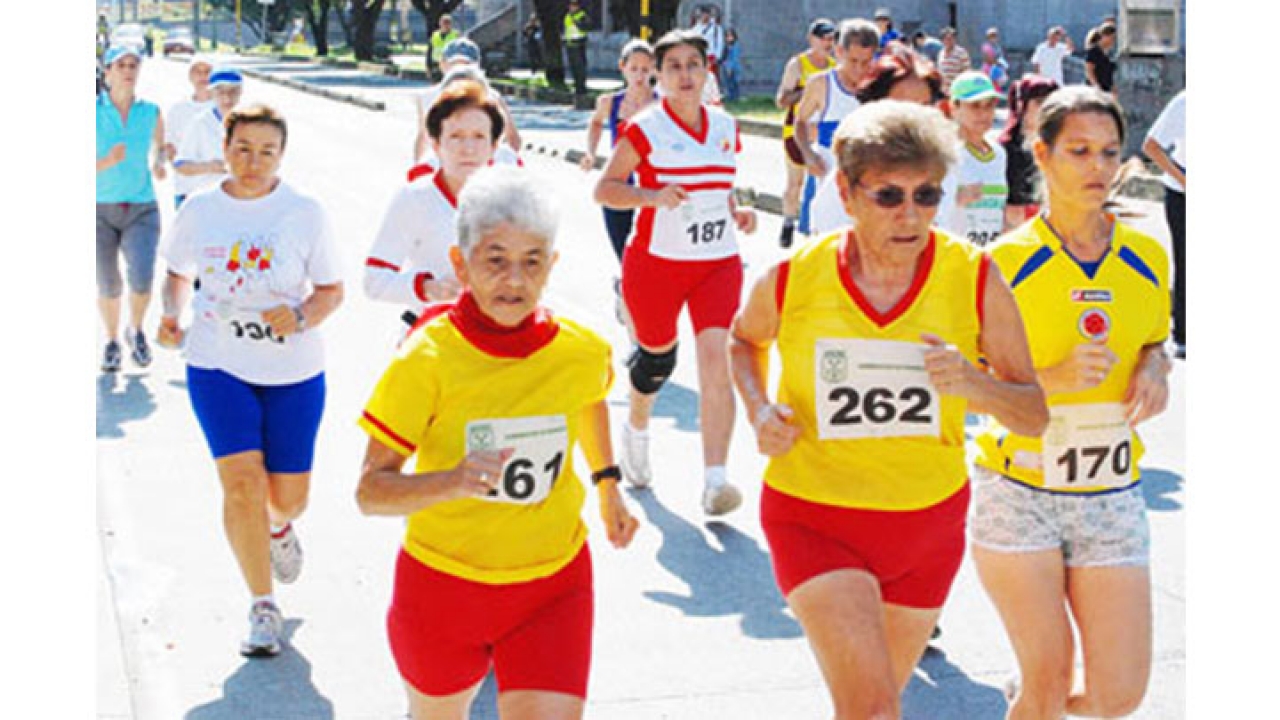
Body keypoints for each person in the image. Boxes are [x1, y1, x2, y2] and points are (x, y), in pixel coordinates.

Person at [729, 99, 1047, 720]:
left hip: (926, 528)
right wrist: (759, 409)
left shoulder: (974, 276)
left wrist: (973, 384)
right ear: (845, 192)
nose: (911, 215)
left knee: (866, 710)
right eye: (889, 196)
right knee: (875, 709)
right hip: (814, 518)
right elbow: (742, 341)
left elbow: (1032, 412)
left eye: (927, 196)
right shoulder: (794, 276)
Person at [356, 166, 639, 720]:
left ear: (552, 265)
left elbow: (588, 399)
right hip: (442, 591)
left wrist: (608, 486)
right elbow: (370, 492)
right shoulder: (426, 359)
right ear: (460, 264)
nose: (514, 280)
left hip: (552, 587)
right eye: (495, 259)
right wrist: (453, 480)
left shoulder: (580, 349)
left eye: (532, 261)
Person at [970, 86, 1173, 720]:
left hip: (1110, 489)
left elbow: (1151, 339)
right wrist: (1050, 379)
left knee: (1118, 696)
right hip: (1019, 487)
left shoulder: (1145, 255)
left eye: (1109, 152)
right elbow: (969, 385)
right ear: (1043, 154)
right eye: (1079, 151)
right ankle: (1035, 691)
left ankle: (1032, 692)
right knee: (1049, 683)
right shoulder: (1003, 264)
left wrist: (1156, 365)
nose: (1097, 167)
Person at [156, 104, 345, 657]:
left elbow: (332, 291)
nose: (252, 161)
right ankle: (263, 606)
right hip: (217, 364)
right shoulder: (201, 209)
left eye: (266, 151)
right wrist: (172, 314)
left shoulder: (305, 212)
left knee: (287, 499)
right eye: (242, 148)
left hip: (292, 370)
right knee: (240, 483)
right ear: (225, 148)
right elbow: (177, 273)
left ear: (281, 155)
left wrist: (303, 315)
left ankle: (279, 529)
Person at [593, 30, 758, 515]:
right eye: (674, 67)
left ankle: (715, 481)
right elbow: (605, 189)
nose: (686, 75)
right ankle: (637, 430)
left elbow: (721, 186)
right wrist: (650, 196)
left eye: (694, 64)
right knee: (656, 362)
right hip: (657, 263)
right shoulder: (645, 129)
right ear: (658, 77)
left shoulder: (726, 126)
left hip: (717, 263)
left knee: (716, 361)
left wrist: (737, 211)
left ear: (708, 71)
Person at [367, 80, 504, 313]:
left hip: (497, 340)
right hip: (432, 337)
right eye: (456, 136)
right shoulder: (415, 199)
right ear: (436, 143)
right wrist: (429, 288)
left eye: (479, 136)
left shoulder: (514, 201)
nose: (468, 148)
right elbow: (374, 281)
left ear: (494, 145)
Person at [807, 45, 944, 237]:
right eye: (902, 106)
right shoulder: (855, 174)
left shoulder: (945, 167)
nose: (915, 118)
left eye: (924, 106)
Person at [96, 45, 168, 372]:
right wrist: (107, 162)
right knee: (109, 284)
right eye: (121, 65)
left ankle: (135, 330)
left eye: (133, 65)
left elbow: (160, 148)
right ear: (107, 71)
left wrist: (161, 162)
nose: (128, 70)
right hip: (98, 209)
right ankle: (111, 340)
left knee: (142, 278)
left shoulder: (150, 111)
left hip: (141, 208)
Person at [792, 18, 880, 237]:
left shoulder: (879, 87)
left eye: (867, 62)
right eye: (854, 61)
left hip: (870, 195)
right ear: (839, 52)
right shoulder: (821, 84)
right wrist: (808, 154)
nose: (860, 69)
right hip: (830, 190)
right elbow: (800, 121)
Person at [579, 40, 657, 272]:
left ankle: (636, 291)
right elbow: (595, 123)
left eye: (645, 69)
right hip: (619, 182)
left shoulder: (661, 105)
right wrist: (591, 153)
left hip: (651, 184)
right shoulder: (609, 102)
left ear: (653, 69)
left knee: (648, 252)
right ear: (622, 67)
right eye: (634, 69)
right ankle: (627, 288)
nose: (640, 76)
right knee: (623, 251)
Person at [774, 18, 836, 248]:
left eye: (831, 39)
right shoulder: (797, 65)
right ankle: (788, 222)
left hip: (820, 133)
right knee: (795, 183)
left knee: (821, 182)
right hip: (795, 131)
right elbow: (781, 99)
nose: (827, 43)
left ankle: (814, 229)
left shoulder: (832, 67)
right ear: (811, 39)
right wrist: (808, 92)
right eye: (823, 38)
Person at [413, 39, 521, 164]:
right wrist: (419, 166)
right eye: (454, 64)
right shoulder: (427, 97)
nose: (460, 69)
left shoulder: (490, 96)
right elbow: (423, 136)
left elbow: (513, 138)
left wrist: (504, 163)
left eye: (466, 64)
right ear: (442, 64)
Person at [938, 71, 1008, 248]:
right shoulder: (944, 153)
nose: (983, 113)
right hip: (953, 255)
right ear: (954, 107)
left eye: (989, 105)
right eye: (975, 106)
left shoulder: (999, 154)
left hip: (988, 257)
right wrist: (955, 199)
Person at [1143, 89, 1186, 359]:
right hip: (1183, 192)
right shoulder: (1185, 103)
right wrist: (1184, 180)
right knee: (1187, 261)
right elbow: (1152, 146)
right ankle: (1183, 333)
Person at [173, 67, 243, 207]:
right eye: (220, 91)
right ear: (211, 93)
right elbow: (180, 165)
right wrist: (210, 167)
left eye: (233, 91)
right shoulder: (200, 123)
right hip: (205, 202)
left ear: (241, 93)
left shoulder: (250, 122)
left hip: (239, 201)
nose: (227, 97)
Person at [1000, 74, 1059, 228]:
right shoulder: (1004, 149)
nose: (1045, 109)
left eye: (1051, 103)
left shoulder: (1060, 147)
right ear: (1022, 105)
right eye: (1039, 102)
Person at [164, 55, 214, 204]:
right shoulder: (178, 109)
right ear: (190, 76)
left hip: (220, 191)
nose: (203, 76)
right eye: (197, 72)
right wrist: (186, 170)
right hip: (186, 191)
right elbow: (170, 147)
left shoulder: (224, 109)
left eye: (207, 71)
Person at [1085, 22, 1119, 97]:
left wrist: (1112, 87)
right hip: (1095, 91)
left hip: (1106, 90)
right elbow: (1089, 71)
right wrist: (1096, 87)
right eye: (1112, 38)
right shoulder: (1094, 51)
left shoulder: (1107, 54)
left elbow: (1108, 73)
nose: (1113, 41)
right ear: (1104, 36)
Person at [564, 0, 590, 95]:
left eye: (574, 5)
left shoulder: (582, 15)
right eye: (571, 5)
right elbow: (567, 29)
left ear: (578, 6)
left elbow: (586, 27)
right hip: (570, 44)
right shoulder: (568, 16)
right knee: (573, 67)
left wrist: (577, 22)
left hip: (579, 44)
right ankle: (577, 86)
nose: (572, 7)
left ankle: (581, 88)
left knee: (580, 67)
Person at [936, 26, 971, 95]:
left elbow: (966, 71)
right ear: (943, 40)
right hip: (944, 91)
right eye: (947, 39)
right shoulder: (941, 53)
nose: (950, 41)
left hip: (958, 91)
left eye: (952, 38)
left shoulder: (961, 52)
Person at [428, 14, 459, 78]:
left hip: (450, 64)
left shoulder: (456, 35)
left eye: (448, 23)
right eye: (444, 23)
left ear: (451, 24)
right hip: (436, 64)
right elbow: (430, 50)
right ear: (440, 23)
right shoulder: (435, 34)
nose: (445, 25)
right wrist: (428, 65)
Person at [981, 27, 1009, 92]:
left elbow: (1000, 56)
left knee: (997, 88)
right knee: (989, 88)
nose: (993, 37)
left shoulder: (997, 46)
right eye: (991, 36)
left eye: (995, 35)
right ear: (988, 37)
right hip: (988, 70)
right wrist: (999, 63)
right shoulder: (986, 47)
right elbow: (988, 59)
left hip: (997, 70)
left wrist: (1002, 64)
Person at [720, 28, 742, 103]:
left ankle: (734, 97)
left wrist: (730, 68)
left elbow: (734, 58)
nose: (729, 38)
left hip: (732, 67)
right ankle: (731, 96)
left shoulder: (735, 46)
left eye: (731, 36)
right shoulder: (727, 45)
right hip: (726, 66)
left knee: (733, 83)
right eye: (727, 36)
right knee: (728, 82)